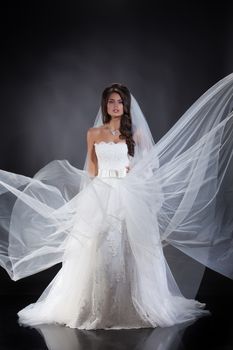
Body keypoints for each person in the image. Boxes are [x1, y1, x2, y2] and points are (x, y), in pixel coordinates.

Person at [0, 76, 233, 330]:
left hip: (126, 192)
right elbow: (91, 168)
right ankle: (97, 305)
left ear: (125, 106)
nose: (115, 105)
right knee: (97, 247)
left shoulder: (136, 133)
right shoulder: (94, 133)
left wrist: (131, 170)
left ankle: (132, 305)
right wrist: (92, 197)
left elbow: (149, 166)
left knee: (128, 245)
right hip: (101, 191)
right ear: (105, 105)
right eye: (111, 101)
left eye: (119, 102)